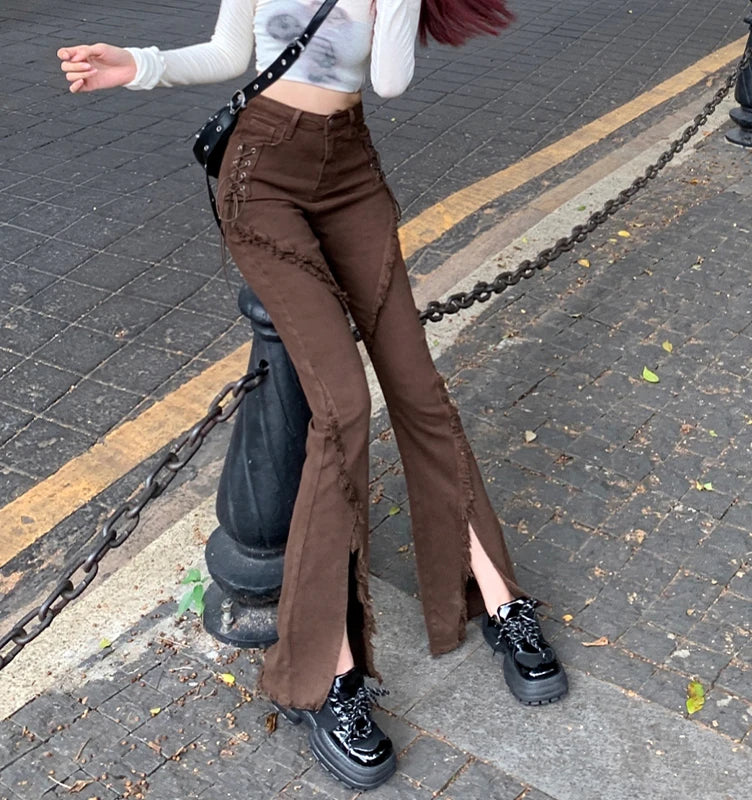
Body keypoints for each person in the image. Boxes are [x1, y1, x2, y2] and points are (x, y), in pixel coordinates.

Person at [57, 0, 568, 790]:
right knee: (342, 407)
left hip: (350, 169)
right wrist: (138, 64)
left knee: (419, 389)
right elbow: (229, 53)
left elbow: (389, 80)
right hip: (263, 179)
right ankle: (325, 674)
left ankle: (497, 599)